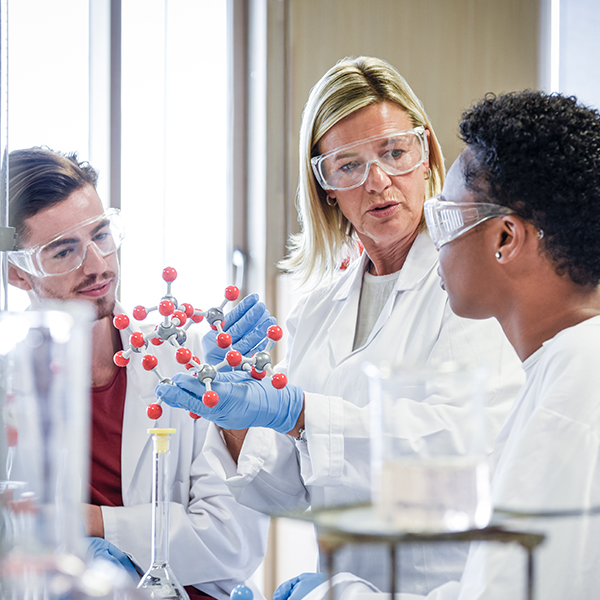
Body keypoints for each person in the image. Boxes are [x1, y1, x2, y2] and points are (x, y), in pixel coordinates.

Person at [157, 56, 524, 596]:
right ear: (325, 185)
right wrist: (230, 408)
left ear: (425, 156)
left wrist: (301, 414)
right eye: (347, 165)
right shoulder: (318, 308)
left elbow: (462, 453)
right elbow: (285, 488)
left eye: (395, 152)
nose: (378, 182)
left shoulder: (474, 287)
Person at [277, 89, 600, 600]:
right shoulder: (568, 365)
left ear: (505, 239)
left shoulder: (574, 388)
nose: (435, 234)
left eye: (447, 216)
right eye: (348, 166)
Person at [5, 147, 271, 600]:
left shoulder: (182, 361)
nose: (98, 266)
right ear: (17, 272)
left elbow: (233, 543)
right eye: (64, 250)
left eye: (101, 236)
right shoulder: (12, 391)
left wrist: (88, 521)